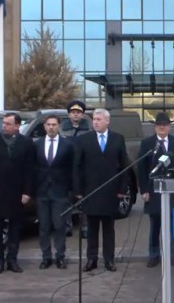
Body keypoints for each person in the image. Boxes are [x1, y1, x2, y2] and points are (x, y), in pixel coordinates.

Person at [73, 108, 131, 272]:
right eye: (94, 119)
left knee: (108, 228)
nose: (95, 122)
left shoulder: (117, 139)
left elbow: (123, 166)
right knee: (91, 228)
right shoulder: (84, 140)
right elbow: (77, 166)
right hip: (90, 191)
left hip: (110, 191)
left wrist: (122, 189)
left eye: (99, 119)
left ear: (107, 121)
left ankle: (109, 260)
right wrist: (77, 190)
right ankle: (91, 260)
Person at [0, 112, 35, 274]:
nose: (4, 126)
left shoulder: (26, 143)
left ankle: (12, 259)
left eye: (8, 124)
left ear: (17, 126)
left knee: (15, 229)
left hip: (17, 193)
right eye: (3, 123)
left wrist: (27, 192)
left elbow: (30, 170)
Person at [137, 112, 174, 268]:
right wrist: (144, 190)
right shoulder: (147, 143)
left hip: (173, 189)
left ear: (170, 127)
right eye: (159, 125)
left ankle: (172, 255)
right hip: (154, 189)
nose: (162, 127)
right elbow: (141, 168)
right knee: (155, 224)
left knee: (173, 223)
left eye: (165, 125)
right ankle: (154, 254)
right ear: (155, 127)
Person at [34, 115, 75, 270]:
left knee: (59, 226)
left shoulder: (67, 145)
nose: (51, 127)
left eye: (54, 124)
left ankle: (60, 256)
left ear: (59, 126)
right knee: (44, 226)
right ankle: (46, 257)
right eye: (48, 125)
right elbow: (33, 168)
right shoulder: (37, 145)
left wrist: (72, 190)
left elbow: (72, 168)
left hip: (60, 191)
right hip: (42, 191)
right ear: (44, 126)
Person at [61, 99, 91, 238]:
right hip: (66, 169)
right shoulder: (63, 129)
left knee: (84, 199)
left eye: (78, 112)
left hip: (83, 169)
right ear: (69, 114)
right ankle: (67, 226)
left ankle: (85, 227)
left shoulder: (88, 129)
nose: (75, 115)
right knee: (66, 199)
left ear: (82, 114)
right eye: (73, 112)